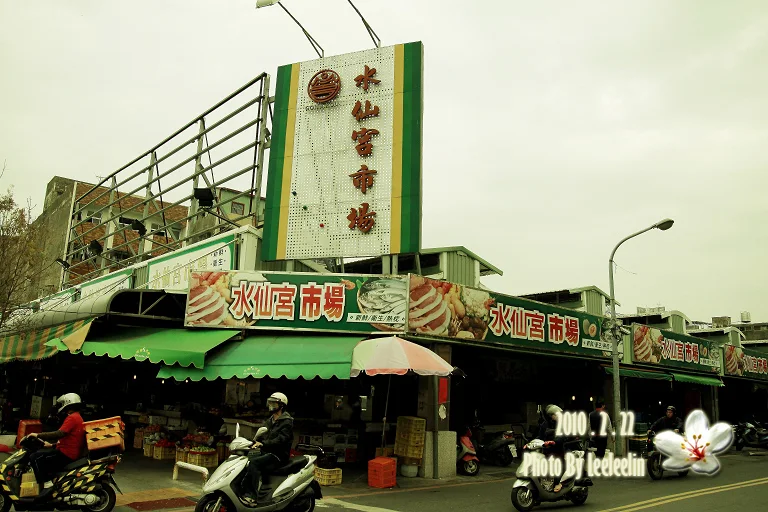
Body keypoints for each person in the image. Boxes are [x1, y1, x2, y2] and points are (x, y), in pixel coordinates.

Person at [26, 393, 86, 492]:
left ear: (68, 404)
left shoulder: (72, 418)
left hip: (66, 454)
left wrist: (37, 435)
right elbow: (70, 439)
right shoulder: (77, 417)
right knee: (42, 456)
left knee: (35, 458)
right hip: (68, 452)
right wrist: (52, 445)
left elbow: (59, 434)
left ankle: (47, 486)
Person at [243, 392, 294, 504]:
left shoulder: (287, 422)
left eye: (274, 404)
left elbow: (281, 440)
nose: (271, 406)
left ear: (281, 406)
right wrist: (253, 441)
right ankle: (244, 490)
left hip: (278, 455)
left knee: (255, 463)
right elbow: (263, 433)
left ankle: (252, 496)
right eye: (270, 403)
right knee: (245, 461)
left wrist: (263, 444)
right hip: (267, 452)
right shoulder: (270, 420)